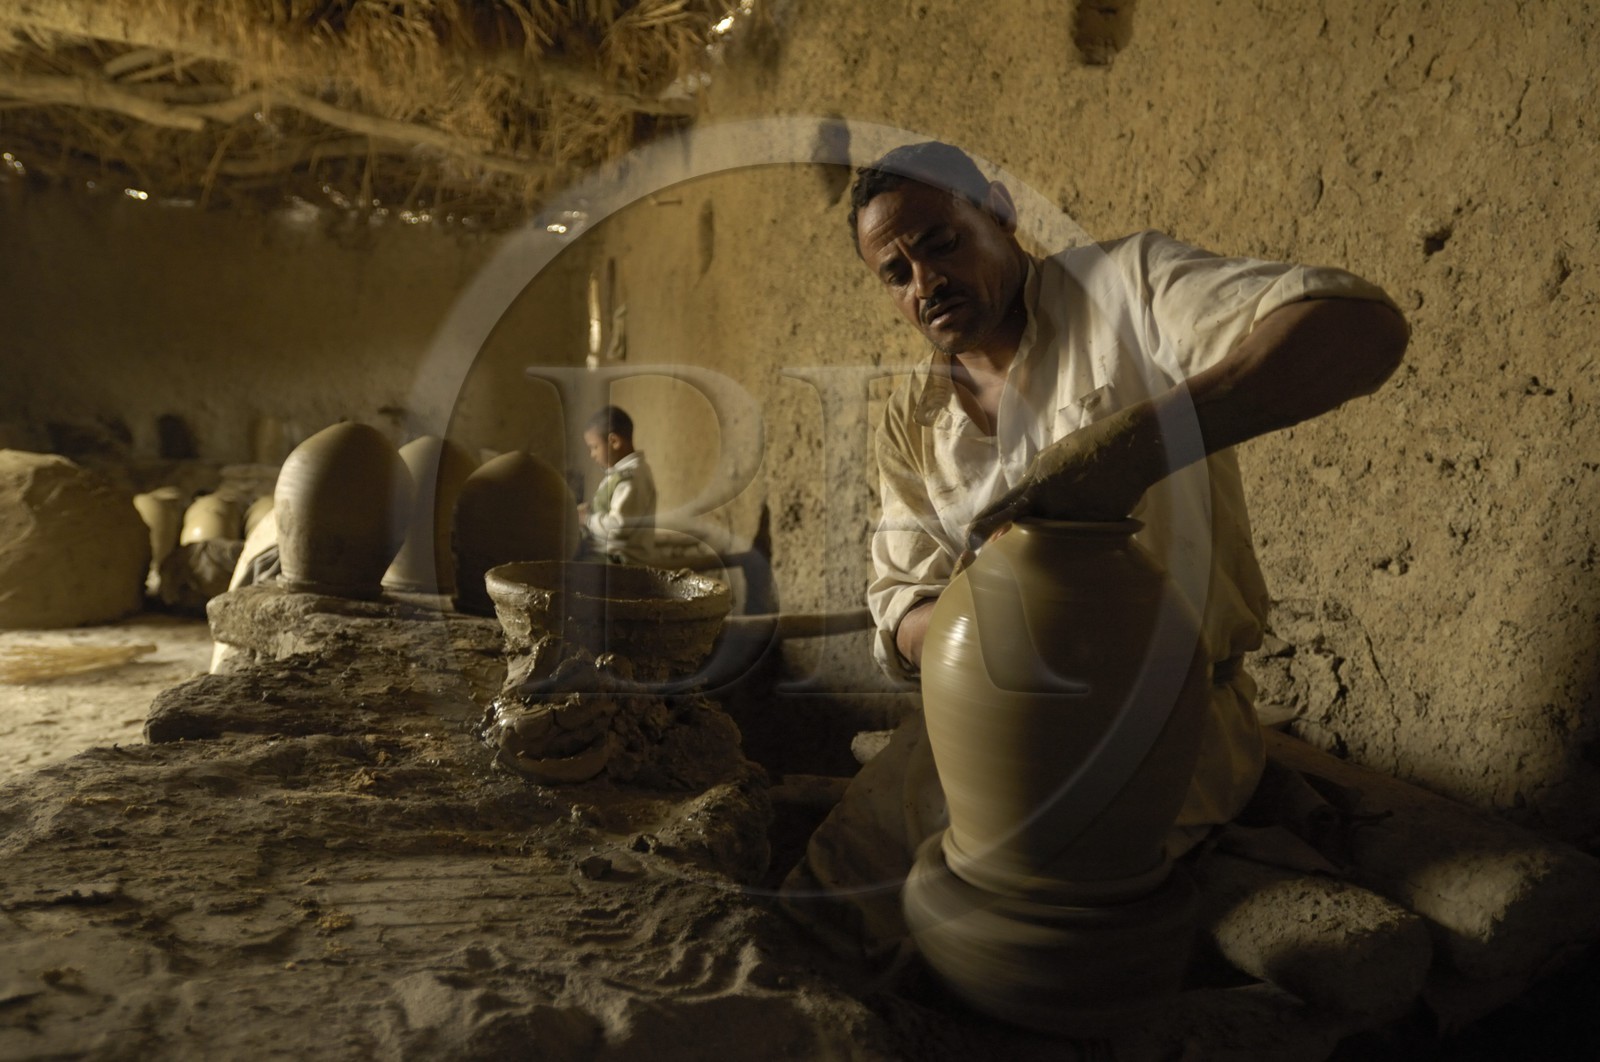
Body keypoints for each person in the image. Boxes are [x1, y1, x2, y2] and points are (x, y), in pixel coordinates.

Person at [782, 141, 1409, 963]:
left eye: (941, 242)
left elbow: (1357, 326)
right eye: (895, 273)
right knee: (819, 912)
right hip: (978, 732)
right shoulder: (913, 411)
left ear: (1000, 214)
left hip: (1167, 733)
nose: (924, 282)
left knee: (993, 948)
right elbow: (899, 595)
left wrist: (1132, 450)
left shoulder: (1126, 290)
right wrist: (986, 645)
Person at [576, 405, 657, 564]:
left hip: (620, 561)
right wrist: (588, 510)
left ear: (614, 441)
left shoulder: (631, 477)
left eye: (594, 447)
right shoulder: (618, 474)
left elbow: (618, 527)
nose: (592, 454)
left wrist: (587, 520)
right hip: (608, 555)